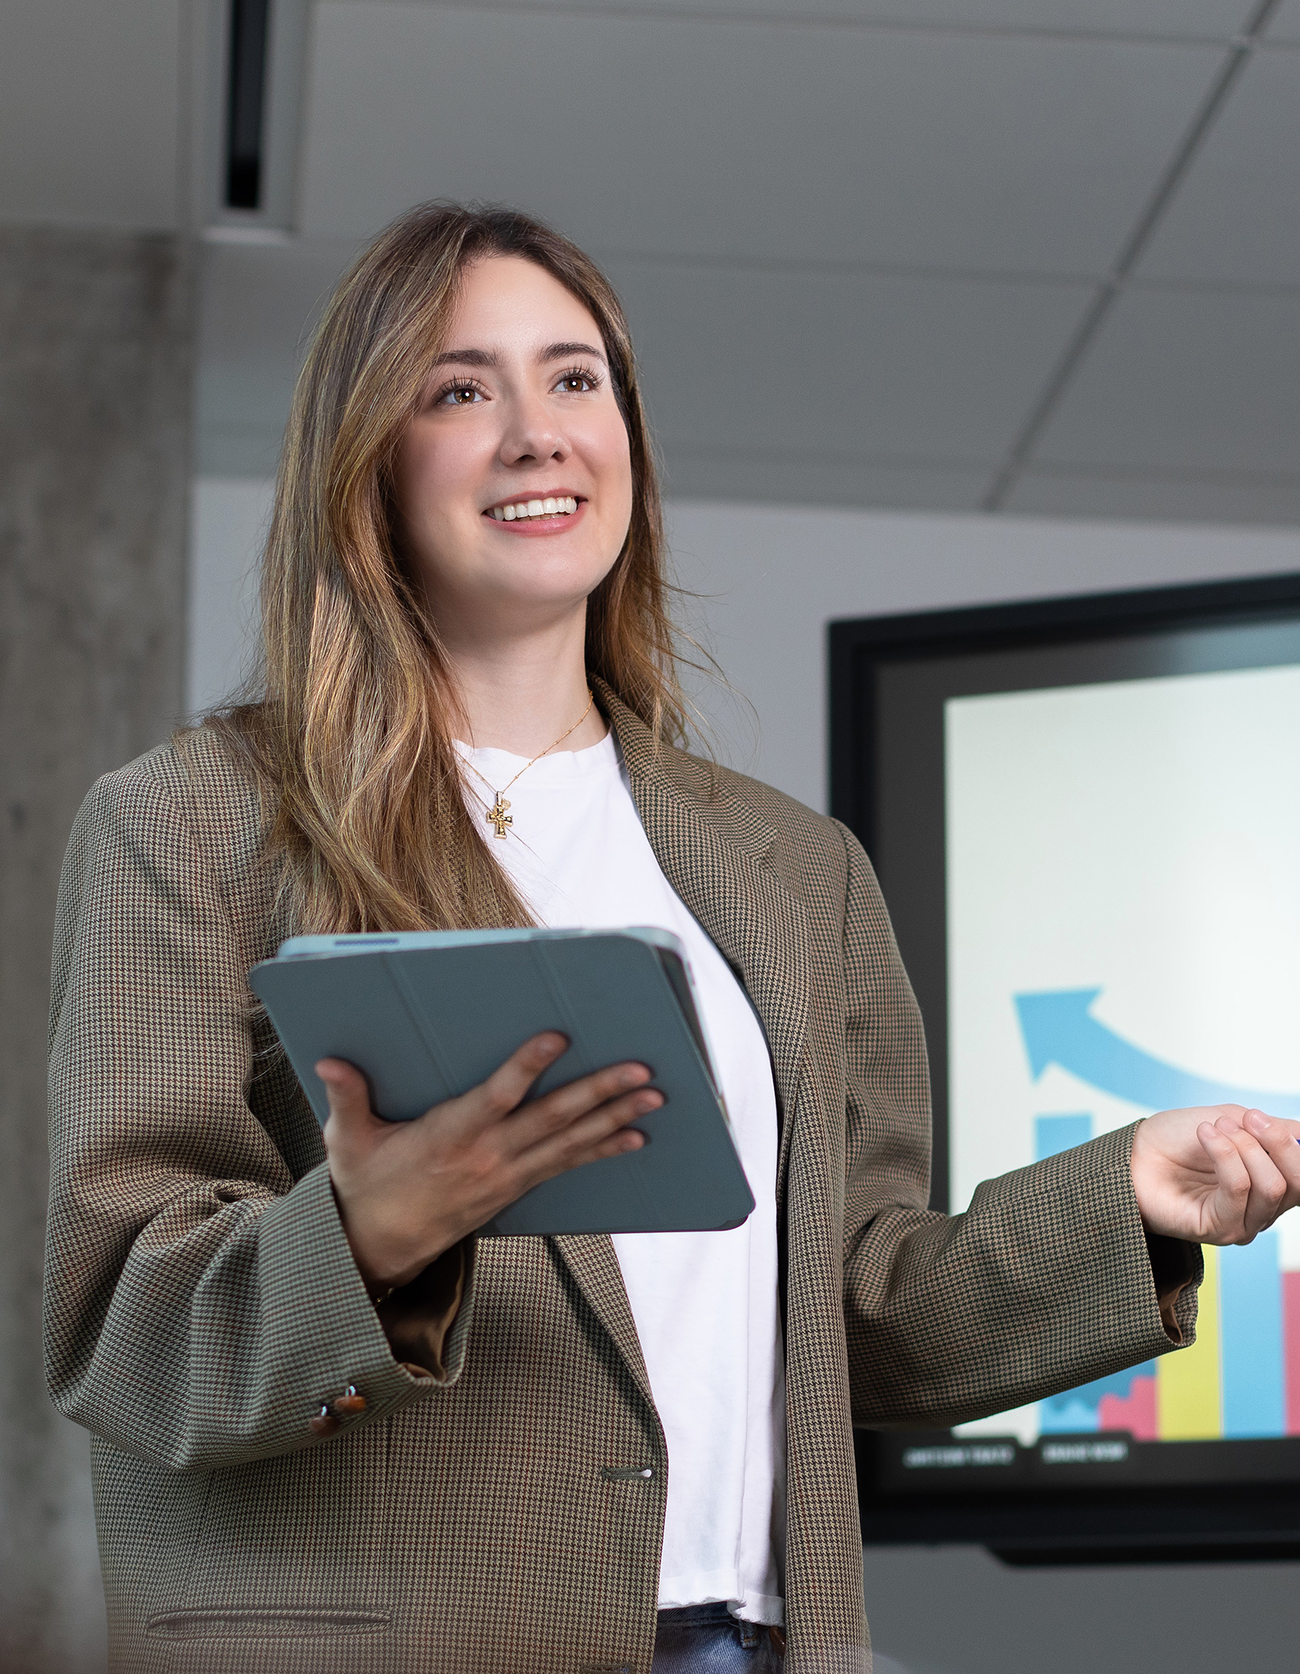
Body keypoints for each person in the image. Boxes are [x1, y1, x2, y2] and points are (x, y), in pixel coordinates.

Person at [44, 202, 1300, 1674]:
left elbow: (862, 1319)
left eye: (576, 378)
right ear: (366, 461)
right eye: (462, 389)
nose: (536, 431)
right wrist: (373, 1228)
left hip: (756, 1641)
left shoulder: (795, 867)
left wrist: (1130, 1198)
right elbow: (125, 1329)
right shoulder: (192, 820)